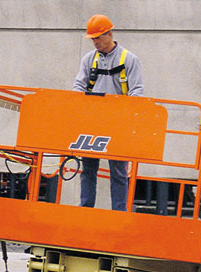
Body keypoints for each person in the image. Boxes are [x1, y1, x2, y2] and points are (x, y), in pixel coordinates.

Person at [73, 14, 144, 211]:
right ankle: (85, 208)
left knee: (119, 171)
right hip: (92, 122)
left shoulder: (128, 59)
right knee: (88, 168)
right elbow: (79, 85)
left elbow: (137, 90)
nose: (95, 42)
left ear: (109, 34)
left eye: (98, 37)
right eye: (93, 39)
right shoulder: (89, 60)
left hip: (118, 124)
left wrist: (128, 114)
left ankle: (119, 213)